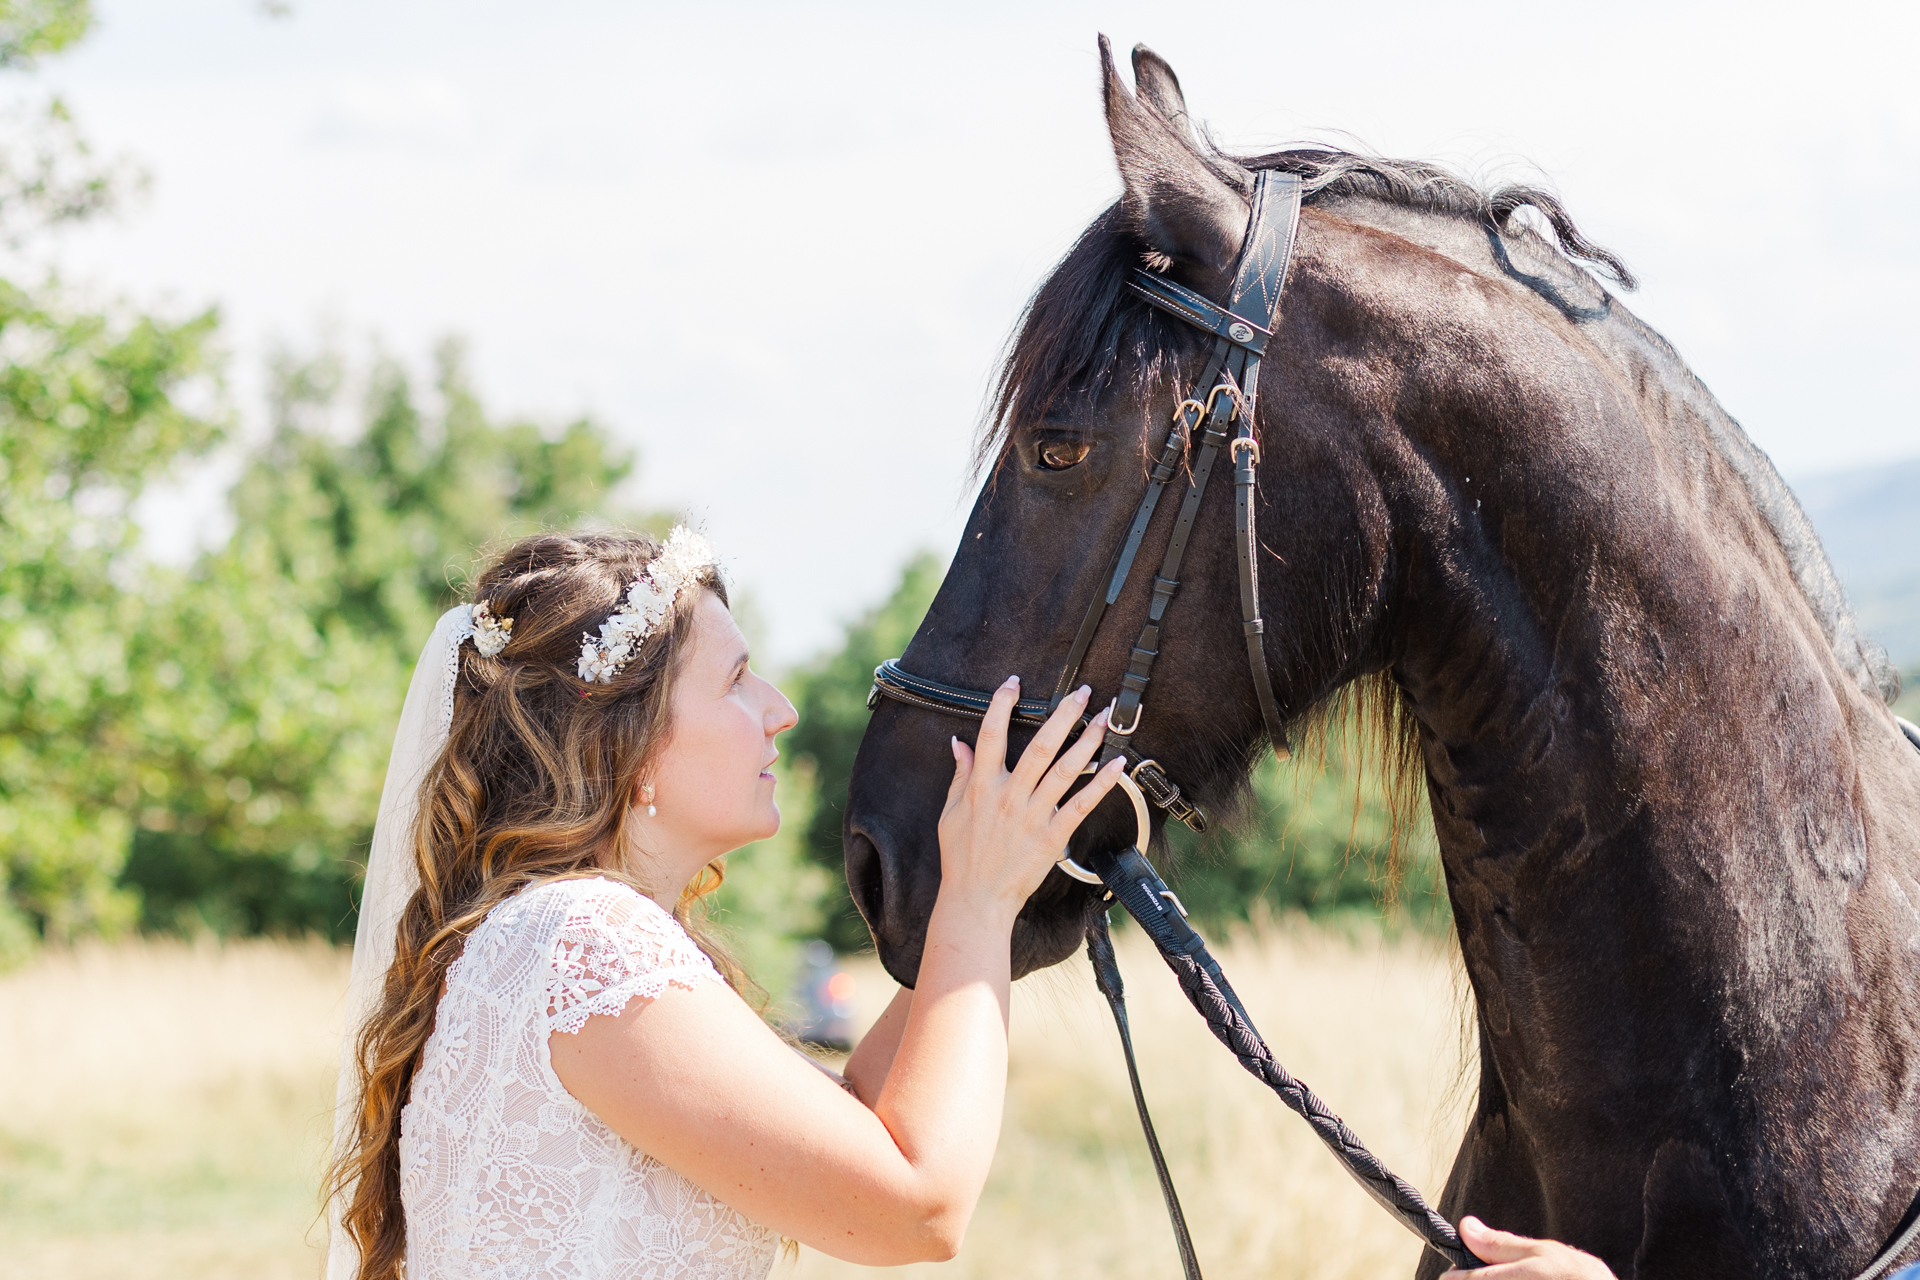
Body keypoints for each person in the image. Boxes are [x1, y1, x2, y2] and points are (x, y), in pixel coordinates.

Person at [324, 528, 1621, 1279]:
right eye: (733, 683)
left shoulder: (560, 946)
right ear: (627, 746)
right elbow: (912, 1204)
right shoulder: (581, 945)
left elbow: (846, 1139)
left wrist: (999, 887)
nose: (777, 710)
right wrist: (979, 903)